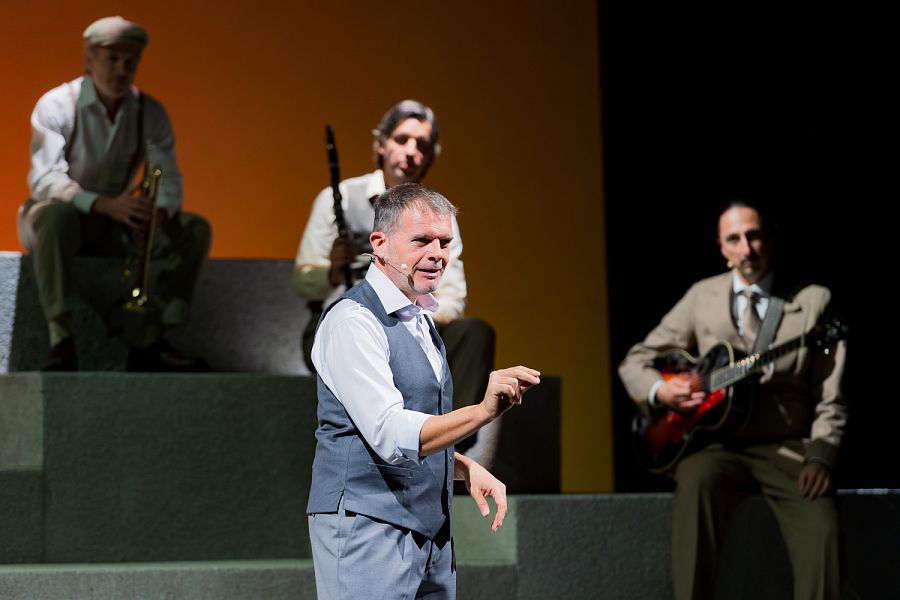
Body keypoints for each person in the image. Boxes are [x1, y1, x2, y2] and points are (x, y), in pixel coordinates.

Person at [306, 183, 539, 599]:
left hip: (429, 530)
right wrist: (482, 412)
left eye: (444, 242)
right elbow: (389, 433)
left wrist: (461, 466)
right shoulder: (353, 321)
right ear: (379, 244)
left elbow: (413, 431)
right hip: (367, 527)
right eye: (422, 241)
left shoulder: (420, 321)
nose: (437, 254)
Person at [618, 200, 846, 600]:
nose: (747, 248)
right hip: (717, 445)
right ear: (723, 248)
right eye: (734, 239)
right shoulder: (701, 295)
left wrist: (821, 455)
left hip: (786, 447)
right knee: (694, 481)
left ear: (769, 239)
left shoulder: (813, 301)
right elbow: (635, 361)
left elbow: (831, 394)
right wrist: (662, 390)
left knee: (821, 526)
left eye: (754, 236)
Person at [293, 100, 499, 466]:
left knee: (474, 333)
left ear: (431, 156)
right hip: (345, 316)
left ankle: (446, 449)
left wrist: (409, 316)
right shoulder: (340, 199)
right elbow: (303, 281)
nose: (411, 151)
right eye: (402, 139)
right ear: (381, 144)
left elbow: (453, 296)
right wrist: (334, 271)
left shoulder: (438, 215)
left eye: (422, 144)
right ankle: (414, 448)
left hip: (415, 320)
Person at [19, 16, 211, 371]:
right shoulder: (57, 104)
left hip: (114, 222)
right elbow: (45, 179)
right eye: (112, 59)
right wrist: (102, 204)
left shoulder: (150, 113)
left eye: (131, 62)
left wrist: (158, 213)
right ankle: (61, 337)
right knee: (56, 217)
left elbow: (169, 177)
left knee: (193, 230)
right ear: (90, 59)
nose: (122, 70)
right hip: (62, 217)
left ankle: (153, 335)